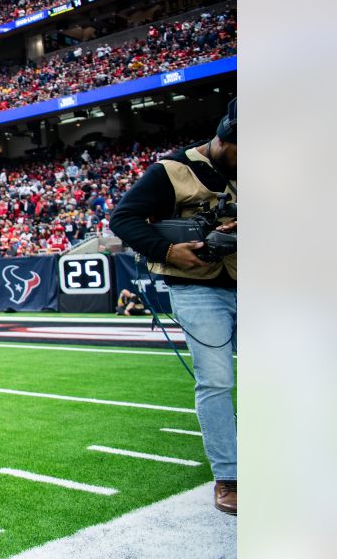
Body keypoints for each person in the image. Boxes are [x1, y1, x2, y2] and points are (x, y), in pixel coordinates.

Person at [111, 98, 237, 515]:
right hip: (198, 285)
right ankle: (230, 475)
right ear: (223, 139)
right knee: (216, 381)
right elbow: (124, 219)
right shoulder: (172, 169)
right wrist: (168, 249)